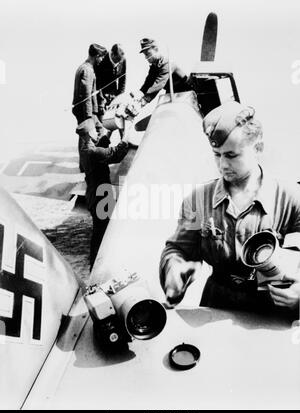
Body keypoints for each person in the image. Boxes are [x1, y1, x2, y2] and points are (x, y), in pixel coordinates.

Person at [159, 101, 300, 315]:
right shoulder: (199, 199)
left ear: (258, 148)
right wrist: (174, 271)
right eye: (217, 154)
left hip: (270, 313)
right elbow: (179, 249)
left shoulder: (290, 199)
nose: (223, 165)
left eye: (231, 155)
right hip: (218, 308)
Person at [76, 118, 129, 269]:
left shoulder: (86, 148)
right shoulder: (93, 152)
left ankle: (95, 265)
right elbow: (117, 154)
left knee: (99, 232)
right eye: (95, 130)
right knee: (103, 233)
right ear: (90, 133)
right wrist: (127, 131)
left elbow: (101, 146)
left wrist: (110, 132)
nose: (97, 131)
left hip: (95, 195)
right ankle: (98, 267)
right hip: (101, 198)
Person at [132, 38, 190, 106]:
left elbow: (159, 84)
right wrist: (140, 93)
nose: (146, 57)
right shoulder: (155, 65)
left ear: (156, 49)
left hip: (185, 92)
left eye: (147, 54)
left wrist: (144, 101)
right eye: (145, 55)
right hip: (172, 92)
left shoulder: (167, 63)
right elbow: (148, 82)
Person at [72, 43, 107, 126]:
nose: (102, 60)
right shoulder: (88, 70)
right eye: (101, 57)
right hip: (86, 112)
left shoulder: (82, 67)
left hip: (82, 110)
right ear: (97, 56)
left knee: (85, 135)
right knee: (97, 132)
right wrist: (88, 116)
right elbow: (86, 94)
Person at [94, 43, 126, 120]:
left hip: (113, 93)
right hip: (101, 94)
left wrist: (119, 97)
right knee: (102, 120)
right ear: (112, 54)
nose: (117, 63)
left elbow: (123, 79)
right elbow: (97, 82)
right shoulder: (101, 60)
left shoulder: (123, 59)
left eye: (119, 61)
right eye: (116, 60)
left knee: (117, 119)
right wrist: (101, 100)